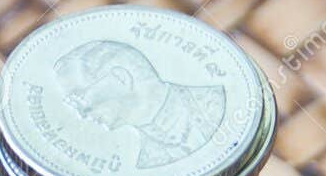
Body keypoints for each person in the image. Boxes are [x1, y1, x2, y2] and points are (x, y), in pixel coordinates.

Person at [55, 40, 226, 169]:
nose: (80, 114)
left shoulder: (217, 105)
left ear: (120, 78)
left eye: (78, 97)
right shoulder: (148, 164)